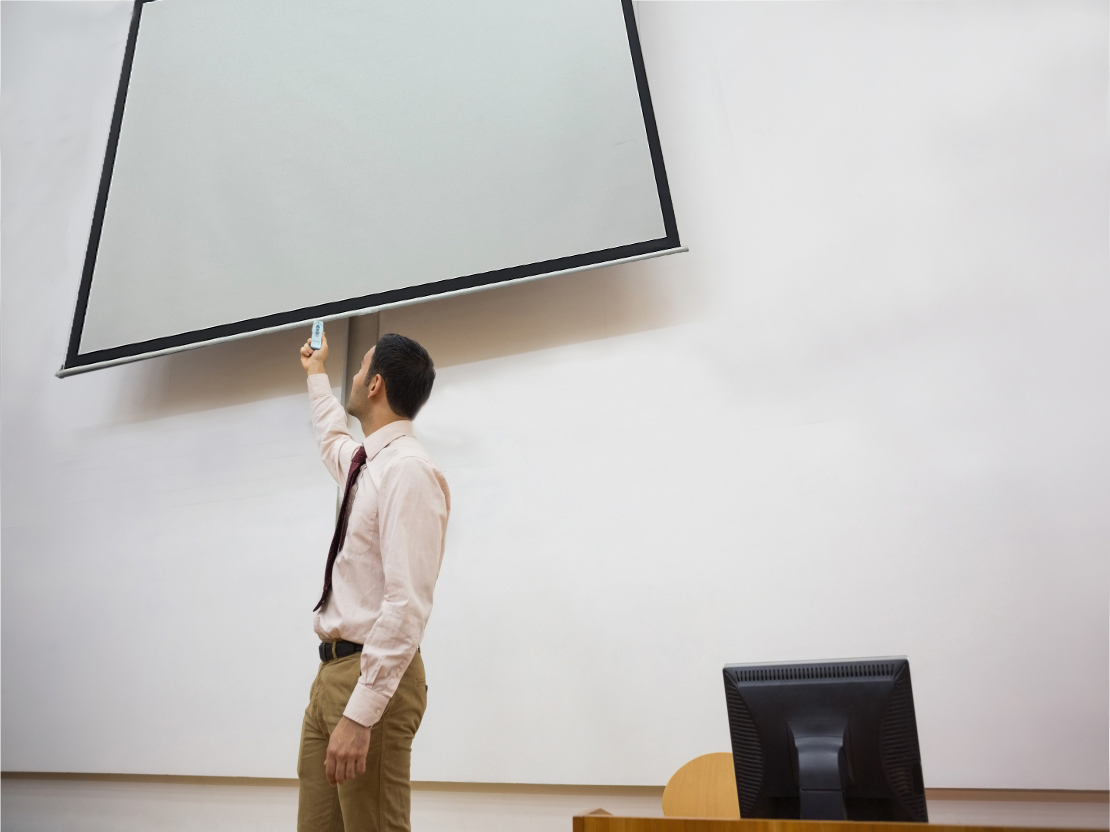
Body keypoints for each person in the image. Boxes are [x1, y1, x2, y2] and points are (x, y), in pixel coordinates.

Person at [297, 329, 450, 832]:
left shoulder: (408, 470)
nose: (356, 376)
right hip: (332, 676)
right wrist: (317, 373)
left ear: (376, 384)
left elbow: (407, 605)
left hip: (372, 678)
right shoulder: (368, 464)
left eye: (360, 369)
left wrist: (361, 714)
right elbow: (332, 441)